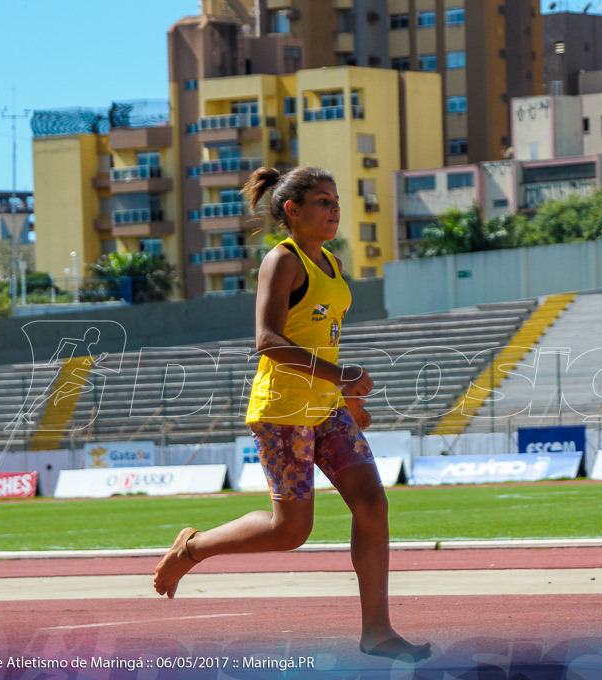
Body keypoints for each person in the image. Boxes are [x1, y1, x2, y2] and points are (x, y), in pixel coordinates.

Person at [153, 166, 430, 663]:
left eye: (337, 200)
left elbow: (326, 338)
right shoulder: (283, 260)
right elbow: (268, 341)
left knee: (372, 505)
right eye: (323, 201)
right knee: (291, 532)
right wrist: (341, 375)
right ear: (292, 211)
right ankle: (192, 549)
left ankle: (377, 632)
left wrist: (348, 398)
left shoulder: (332, 265)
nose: (335, 209)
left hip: (326, 408)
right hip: (284, 410)